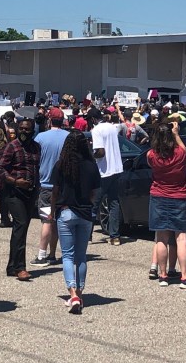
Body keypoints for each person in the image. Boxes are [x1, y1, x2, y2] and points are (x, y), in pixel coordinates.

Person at [51, 130, 101, 314]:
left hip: (66, 211)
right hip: (85, 212)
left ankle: (72, 294)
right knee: (81, 256)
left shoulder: (61, 165)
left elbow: (55, 190)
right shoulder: (91, 165)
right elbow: (95, 192)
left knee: (67, 255)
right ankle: (80, 293)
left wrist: (52, 209)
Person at [147, 121, 186, 289]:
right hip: (179, 196)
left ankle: (162, 275)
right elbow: (185, 151)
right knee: (181, 238)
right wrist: (176, 134)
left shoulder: (151, 155)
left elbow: (150, 163)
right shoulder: (180, 153)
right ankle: (184, 276)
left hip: (158, 196)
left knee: (161, 238)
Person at [0, 117, 40, 281]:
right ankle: (20, 267)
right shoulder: (11, 147)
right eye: (21, 128)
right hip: (13, 193)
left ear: (33, 130)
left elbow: (37, 167)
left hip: (30, 193)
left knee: (21, 229)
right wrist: (15, 181)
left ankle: (12, 266)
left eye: (27, 129)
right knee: (20, 224)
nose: (23, 132)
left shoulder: (36, 147)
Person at [30, 109, 68, 267]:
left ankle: (42, 255)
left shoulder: (40, 137)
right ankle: (52, 254)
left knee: (47, 220)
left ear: (50, 120)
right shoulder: (68, 137)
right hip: (63, 185)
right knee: (58, 219)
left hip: (46, 185)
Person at [90, 108, 124, 245]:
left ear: (92, 119)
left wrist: (90, 156)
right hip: (117, 168)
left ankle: (86, 234)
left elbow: (101, 152)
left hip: (104, 171)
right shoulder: (111, 127)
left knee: (94, 204)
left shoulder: (96, 130)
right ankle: (115, 236)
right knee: (113, 202)